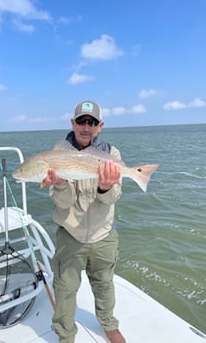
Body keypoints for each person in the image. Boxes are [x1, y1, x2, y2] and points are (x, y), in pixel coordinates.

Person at [43, 100, 126, 343]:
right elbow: (64, 204)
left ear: (100, 126)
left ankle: (108, 324)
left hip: (103, 234)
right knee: (65, 289)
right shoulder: (57, 153)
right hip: (71, 235)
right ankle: (66, 334)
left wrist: (105, 186)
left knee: (104, 284)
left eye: (91, 122)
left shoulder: (111, 153)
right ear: (73, 123)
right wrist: (60, 184)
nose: (86, 126)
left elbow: (114, 197)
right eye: (81, 121)